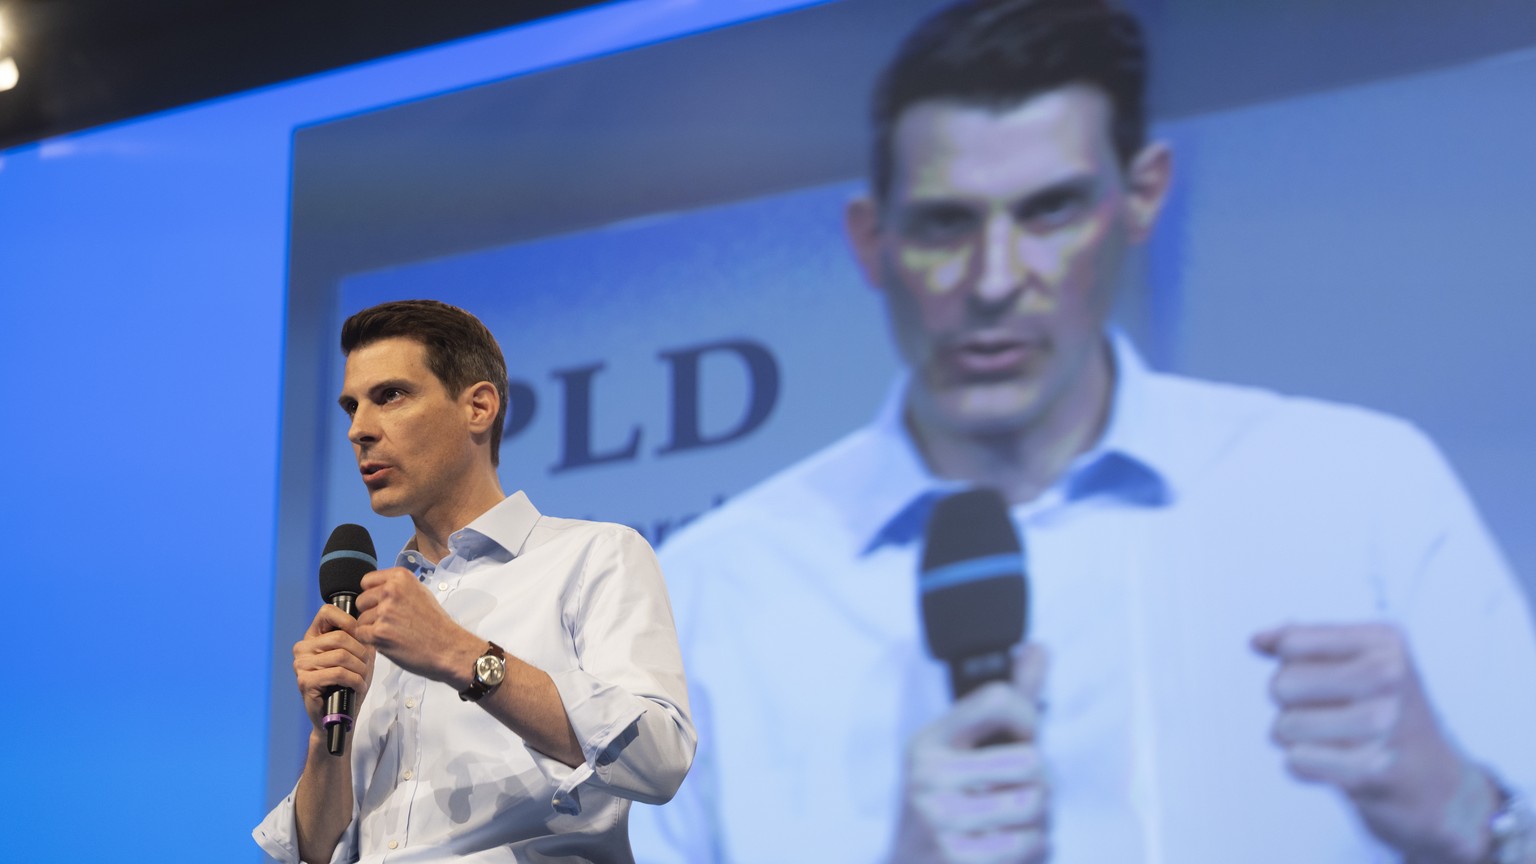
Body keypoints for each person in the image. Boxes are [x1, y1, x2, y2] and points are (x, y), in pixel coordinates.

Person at [628, 1, 1536, 862]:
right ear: (872, 240)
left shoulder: (1363, 489)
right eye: (946, 222)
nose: (994, 279)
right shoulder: (712, 592)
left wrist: (1462, 813)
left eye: (1049, 210)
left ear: (1142, 197)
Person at [254, 299, 695, 862]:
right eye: (351, 407)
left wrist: (461, 655)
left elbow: (660, 757)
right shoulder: (376, 616)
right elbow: (314, 853)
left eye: (390, 396)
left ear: (479, 407)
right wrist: (327, 739)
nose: (359, 430)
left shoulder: (594, 556)